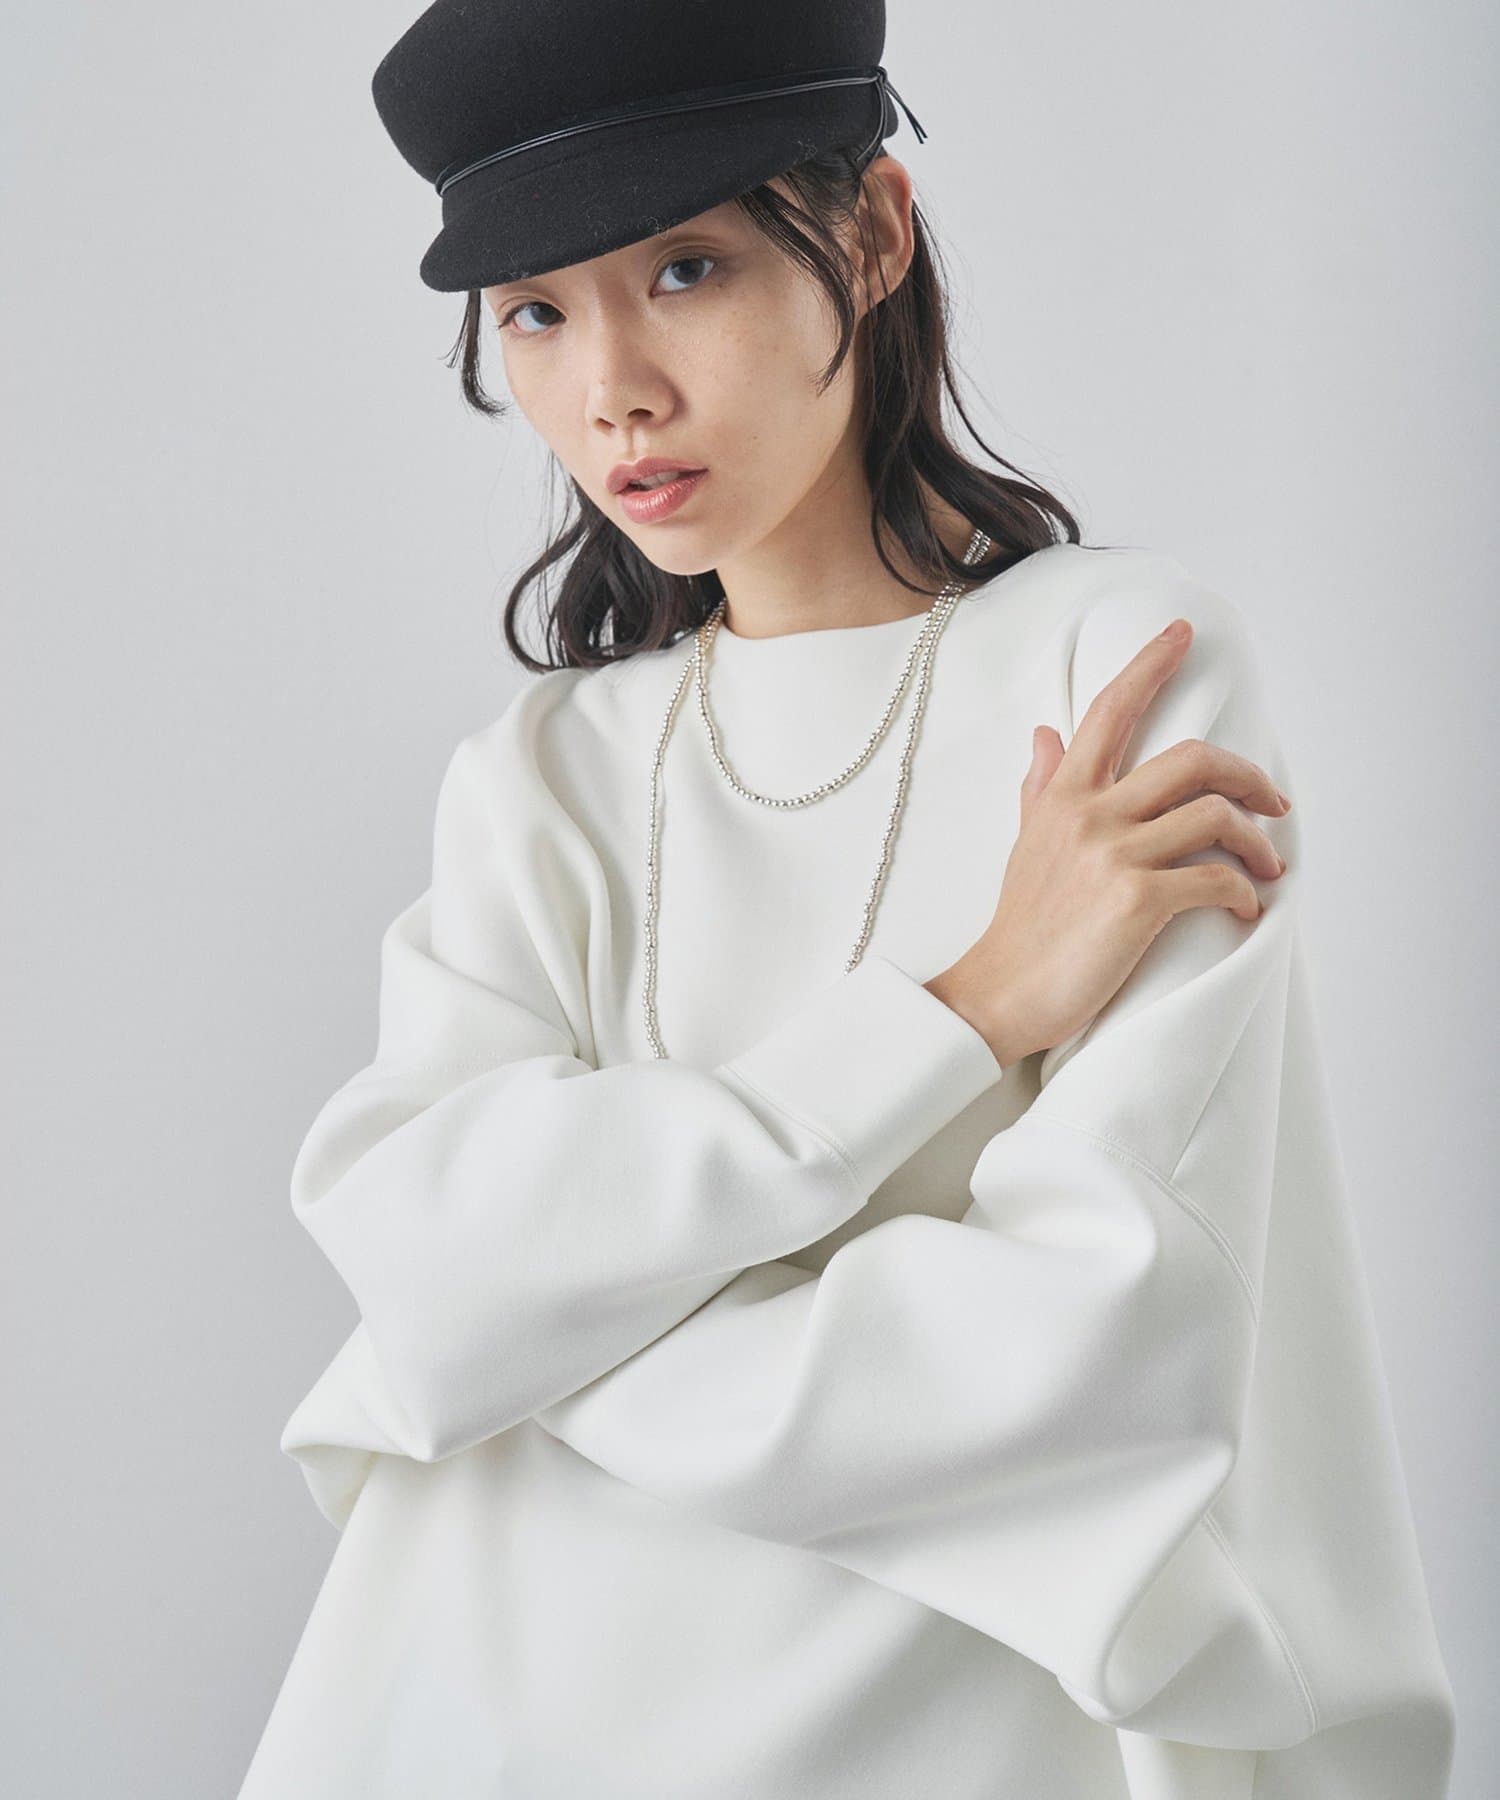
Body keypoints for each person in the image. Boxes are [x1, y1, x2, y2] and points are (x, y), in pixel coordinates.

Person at [236, 2, 1457, 1795]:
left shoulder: (1118, 671)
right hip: (466, 1721)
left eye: (688, 267)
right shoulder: (543, 775)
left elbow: (1088, 1349)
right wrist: (964, 1013)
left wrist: (549, 1345)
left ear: (874, 233)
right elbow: (424, 1260)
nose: (612, 391)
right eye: (537, 311)